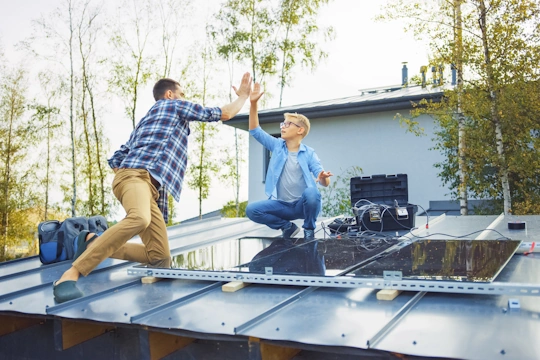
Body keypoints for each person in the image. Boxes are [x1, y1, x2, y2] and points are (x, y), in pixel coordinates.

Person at [52, 72, 253, 303]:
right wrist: (244, 96)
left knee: (159, 258)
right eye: (181, 94)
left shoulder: (146, 122)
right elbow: (224, 113)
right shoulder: (172, 107)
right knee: (139, 219)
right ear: (170, 95)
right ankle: (70, 275)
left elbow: (117, 157)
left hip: (143, 185)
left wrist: (131, 176)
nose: (183, 98)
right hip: (136, 178)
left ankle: (91, 242)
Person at [245, 83, 333, 241]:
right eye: (282, 124)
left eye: (287, 124)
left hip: (302, 205)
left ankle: (309, 229)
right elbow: (255, 131)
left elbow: (325, 183)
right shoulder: (277, 146)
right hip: (282, 206)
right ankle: (287, 227)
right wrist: (253, 104)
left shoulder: (309, 153)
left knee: (312, 192)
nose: (283, 127)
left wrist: (323, 177)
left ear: (300, 130)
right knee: (252, 210)